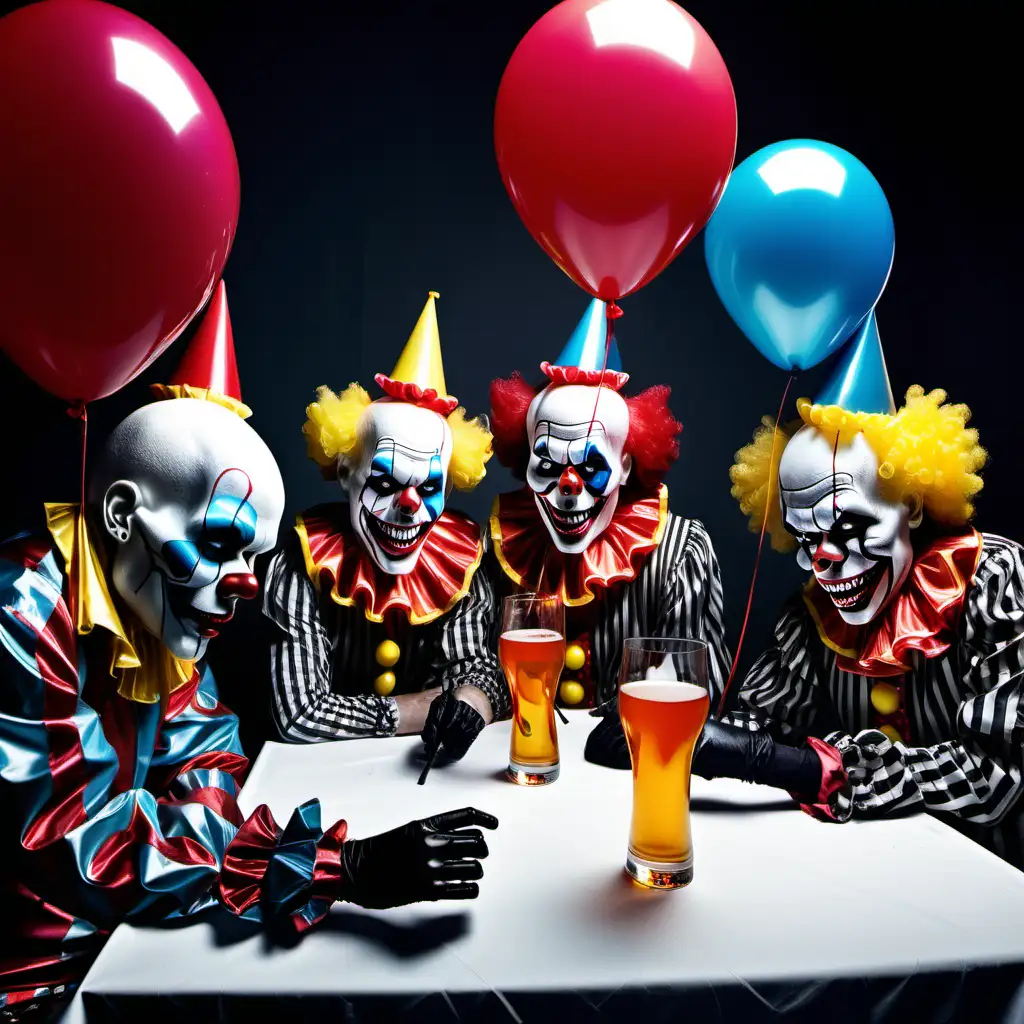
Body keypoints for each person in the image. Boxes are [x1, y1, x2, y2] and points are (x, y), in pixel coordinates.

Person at [0, 286, 497, 1023]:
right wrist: (334, 867)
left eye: (253, 556)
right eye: (221, 543)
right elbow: (75, 844)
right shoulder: (25, 608)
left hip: (139, 942)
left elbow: (216, 765)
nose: (242, 585)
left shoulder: (159, 608)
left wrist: (183, 842)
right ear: (119, 516)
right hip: (36, 984)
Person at [589, 313, 1024, 869]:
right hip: (873, 876)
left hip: (994, 891)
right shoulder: (813, 616)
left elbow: (998, 771)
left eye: (848, 529)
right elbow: (756, 725)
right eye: (808, 536)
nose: (825, 559)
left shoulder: (992, 580)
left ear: (911, 504)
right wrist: (666, 727)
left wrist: (806, 768)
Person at [263, 292, 508, 762]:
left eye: (427, 487)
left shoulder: (462, 556)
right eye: (384, 482)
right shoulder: (299, 561)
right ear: (344, 473)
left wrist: (472, 704)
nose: (409, 507)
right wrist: (418, 708)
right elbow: (297, 715)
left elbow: (483, 672)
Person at [488, 298, 731, 712]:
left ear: (624, 466)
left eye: (591, 465)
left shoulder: (680, 551)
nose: (568, 486)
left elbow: (695, 685)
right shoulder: (500, 546)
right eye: (547, 463)